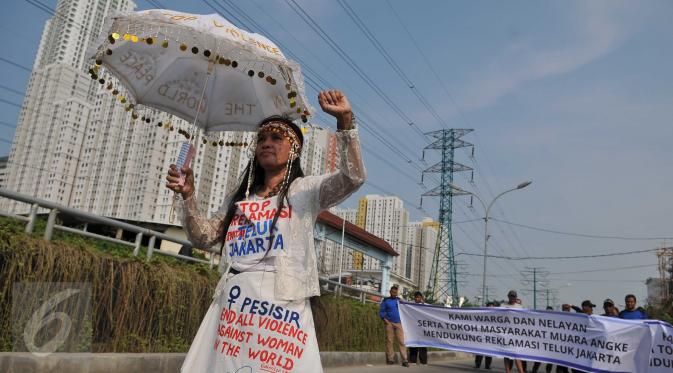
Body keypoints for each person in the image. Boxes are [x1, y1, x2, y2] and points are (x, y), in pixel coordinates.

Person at [168, 90, 365, 373]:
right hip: (235, 307)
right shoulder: (241, 201)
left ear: (294, 149)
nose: (266, 143)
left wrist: (345, 120)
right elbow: (204, 236)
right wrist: (188, 196)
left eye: (276, 138)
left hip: (281, 309)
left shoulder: (305, 192)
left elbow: (353, 177)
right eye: (261, 139)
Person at [380, 285, 409, 367]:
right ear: (390, 292)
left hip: (399, 323)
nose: (394, 293)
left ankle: (404, 360)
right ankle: (390, 359)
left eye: (395, 292)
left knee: (402, 341)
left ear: (397, 293)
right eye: (393, 292)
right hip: (389, 323)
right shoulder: (386, 301)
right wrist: (386, 321)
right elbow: (382, 311)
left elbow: (407, 309)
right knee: (390, 341)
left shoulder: (400, 301)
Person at [501, 290, 526, 373]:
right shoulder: (503, 305)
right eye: (511, 296)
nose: (512, 298)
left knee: (516, 354)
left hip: (516, 334)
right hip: (505, 333)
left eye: (514, 296)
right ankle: (507, 371)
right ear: (508, 296)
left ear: (516, 297)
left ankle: (521, 371)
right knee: (506, 354)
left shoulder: (519, 307)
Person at [408, 291, 428, 366]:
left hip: (423, 328)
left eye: (418, 297)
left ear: (421, 298)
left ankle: (423, 361)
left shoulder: (425, 305)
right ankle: (413, 360)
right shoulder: (411, 305)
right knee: (413, 343)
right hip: (413, 327)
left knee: (423, 344)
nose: (417, 299)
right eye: (415, 297)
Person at [475, 301, 497, 369]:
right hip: (482, 336)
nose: (491, 308)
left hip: (490, 336)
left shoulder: (496, 316)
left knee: (489, 352)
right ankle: (477, 365)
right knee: (479, 351)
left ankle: (487, 366)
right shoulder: (482, 314)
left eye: (492, 307)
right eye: (489, 307)